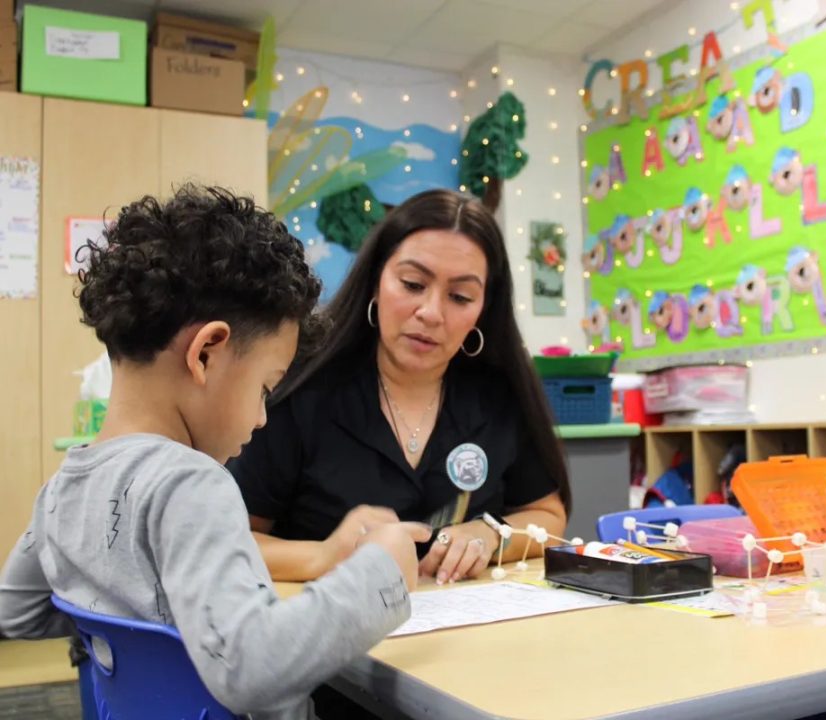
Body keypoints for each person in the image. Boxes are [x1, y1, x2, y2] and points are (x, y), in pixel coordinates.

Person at [0, 186, 430, 719]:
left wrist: (134, 628)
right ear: (206, 352)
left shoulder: (63, 487)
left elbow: (16, 612)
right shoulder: (193, 484)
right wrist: (381, 572)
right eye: (265, 388)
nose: (261, 417)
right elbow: (252, 670)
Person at [228, 189, 571, 588]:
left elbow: (548, 515)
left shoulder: (497, 393)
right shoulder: (302, 386)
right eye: (412, 284)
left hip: (468, 631)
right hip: (326, 632)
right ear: (376, 281)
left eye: (460, 296)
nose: (430, 313)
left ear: (484, 308)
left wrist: (492, 535)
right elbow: (229, 543)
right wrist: (324, 555)